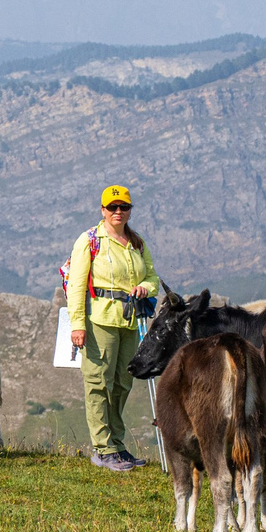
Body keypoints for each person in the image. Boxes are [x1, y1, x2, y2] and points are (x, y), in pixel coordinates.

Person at [66, 185, 161, 472]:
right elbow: (76, 285)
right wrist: (77, 325)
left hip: (129, 321)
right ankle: (103, 448)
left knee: (122, 382)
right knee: (98, 382)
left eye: (124, 207)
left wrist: (144, 288)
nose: (118, 212)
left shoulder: (137, 242)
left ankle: (118, 445)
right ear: (102, 210)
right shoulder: (90, 240)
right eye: (112, 207)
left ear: (130, 210)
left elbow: (153, 277)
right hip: (100, 320)